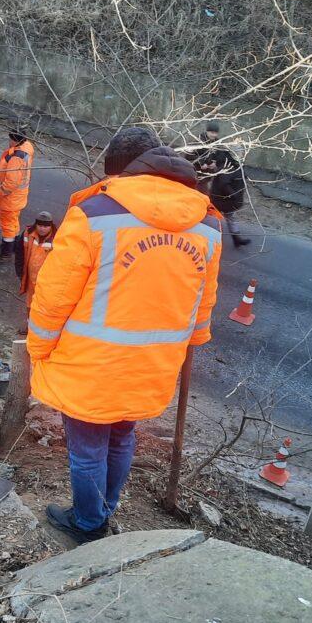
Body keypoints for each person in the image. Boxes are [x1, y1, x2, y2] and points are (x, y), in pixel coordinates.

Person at [27, 127, 222, 544]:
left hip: (90, 364)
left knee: (87, 450)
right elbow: (204, 301)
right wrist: (193, 344)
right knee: (121, 436)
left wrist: (39, 348)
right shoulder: (207, 225)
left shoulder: (96, 212)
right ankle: (104, 509)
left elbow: (54, 295)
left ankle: (88, 524)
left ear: (120, 171)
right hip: (153, 363)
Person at [186, 121, 250, 248]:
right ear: (207, 131)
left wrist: (214, 164)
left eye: (215, 133)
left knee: (216, 209)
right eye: (211, 132)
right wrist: (200, 164)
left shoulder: (218, 143)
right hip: (199, 177)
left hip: (212, 176)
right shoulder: (196, 142)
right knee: (204, 205)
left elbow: (220, 158)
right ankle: (196, 227)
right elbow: (188, 157)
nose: (213, 135)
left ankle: (234, 237)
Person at [0, 129, 35, 263]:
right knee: (13, 221)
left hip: (9, 198)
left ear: (15, 140)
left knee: (7, 225)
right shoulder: (26, 147)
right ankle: (15, 246)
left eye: (10, 139)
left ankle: (6, 253)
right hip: (18, 196)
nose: (8, 142)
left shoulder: (16, 158)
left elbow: (11, 183)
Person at [14, 210, 57, 332]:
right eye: (40, 225)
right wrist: (20, 273)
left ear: (50, 226)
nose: (42, 229)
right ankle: (30, 328)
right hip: (31, 281)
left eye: (46, 226)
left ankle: (42, 330)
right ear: (36, 224)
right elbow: (19, 254)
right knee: (30, 305)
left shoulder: (58, 238)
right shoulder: (27, 234)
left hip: (48, 282)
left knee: (44, 306)